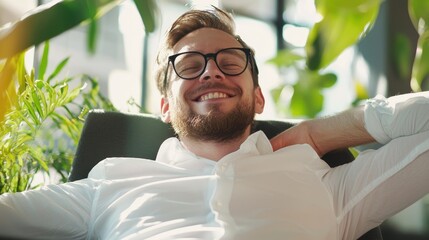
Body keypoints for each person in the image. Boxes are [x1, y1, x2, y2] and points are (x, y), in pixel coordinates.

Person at [1, 7, 429, 240]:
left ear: (258, 97)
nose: (210, 73)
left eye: (229, 63)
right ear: (166, 107)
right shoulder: (110, 184)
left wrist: (319, 133)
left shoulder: (326, 185)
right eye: (190, 66)